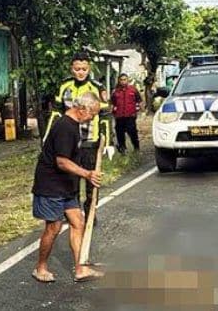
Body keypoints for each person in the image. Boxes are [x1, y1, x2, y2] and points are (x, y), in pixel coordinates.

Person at [32, 92, 104, 283]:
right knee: (53, 227)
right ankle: (40, 267)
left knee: (78, 223)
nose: (93, 118)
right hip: (51, 185)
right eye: (92, 114)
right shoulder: (65, 127)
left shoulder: (75, 126)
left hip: (66, 185)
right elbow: (62, 162)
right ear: (82, 109)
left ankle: (80, 268)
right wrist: (87, 174)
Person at [44, 52, 110, 226]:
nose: (81, 72)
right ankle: (73, 214)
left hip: (90, 142)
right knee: (71, 180)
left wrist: (107, 143)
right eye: (77, 69)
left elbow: (105, 117)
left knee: (91, 182)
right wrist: (48, 139)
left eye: (84, 69)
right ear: (72, 69)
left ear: (89, 69)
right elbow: (56, 113)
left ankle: (90, 214)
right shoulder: (64, 85)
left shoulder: (97, 87)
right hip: (69, 143)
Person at [111, 73, 142, 154]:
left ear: (127, 80)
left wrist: (137, 109)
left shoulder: (133, 90)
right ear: (119, 81)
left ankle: (136, 148)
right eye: (121, 80)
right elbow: (113, 102)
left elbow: (139, 100)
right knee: (120, 134)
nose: (123, 81)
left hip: (130, 116)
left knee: (132, 133)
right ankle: (122, 150)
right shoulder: (115, 91)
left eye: (125, 79)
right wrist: (114, 111)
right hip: (119, 116)